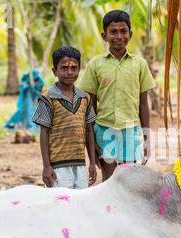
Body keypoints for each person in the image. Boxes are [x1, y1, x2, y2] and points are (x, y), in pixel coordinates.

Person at [81, 10, 156, 181]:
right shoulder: (95, 64)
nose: (119, 36)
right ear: (104, 35)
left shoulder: (139, 64)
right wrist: (91, 137)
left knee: (128, 177)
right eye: (113, 32)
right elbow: (90, 105)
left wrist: (146, 137)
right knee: (109, 179)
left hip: (131, 128)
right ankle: (108, 208)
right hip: (103, 128)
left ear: (130, 34)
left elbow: (143, 104)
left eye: (123, 31)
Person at [32, 46, 97, 189]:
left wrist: (92, 162)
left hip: (80, 163)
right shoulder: (48, 98)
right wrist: (46, 166)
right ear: (55, 71)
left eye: (74, 68)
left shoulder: (84, 98)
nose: (69, 72)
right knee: (61, 203)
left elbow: (89, 131)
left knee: (80, 202)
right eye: (64, 68)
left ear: (80, 69)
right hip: (58, 166)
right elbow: (44, 132)